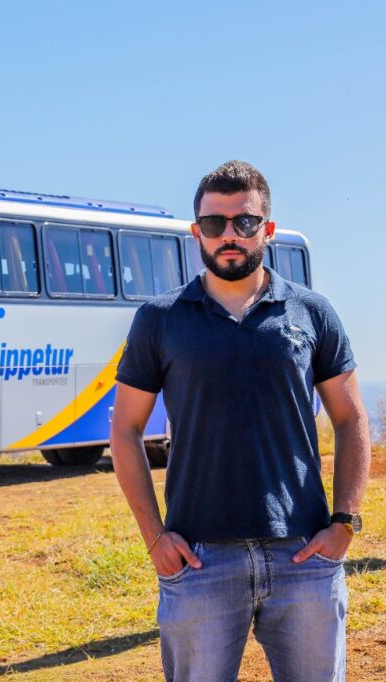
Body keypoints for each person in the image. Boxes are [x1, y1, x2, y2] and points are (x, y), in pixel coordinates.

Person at [109, 160, 370, 681]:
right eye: (214, 224)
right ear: (196, 232)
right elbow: (125, 429)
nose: (230, 235)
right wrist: (154, 537)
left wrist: (344, 522)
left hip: (303, 556)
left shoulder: (311, 313)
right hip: (199, 561)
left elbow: (351, 418)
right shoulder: (161, 319)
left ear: (267, 229)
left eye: (245, 222)